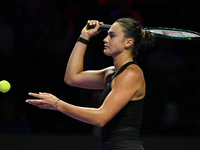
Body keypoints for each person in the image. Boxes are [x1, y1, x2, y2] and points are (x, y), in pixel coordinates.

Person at [26, 17, 155, 150]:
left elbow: (101, 117)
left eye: (112, 36)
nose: (105, 40)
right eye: (107, 35)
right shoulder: (111, 73)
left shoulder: (131, 74)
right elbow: (71, 77)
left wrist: (57, 104)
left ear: (128, 42)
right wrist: (84, 36)